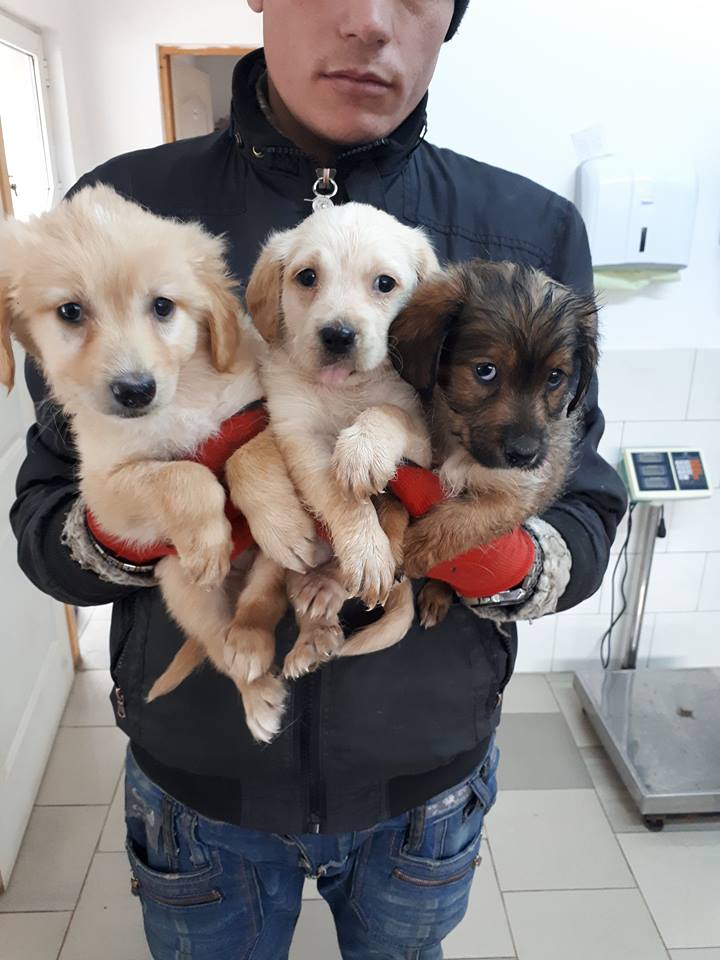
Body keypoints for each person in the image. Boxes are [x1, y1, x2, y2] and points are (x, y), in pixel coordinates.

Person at [10, 2, 627, 957]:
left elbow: (587, 503)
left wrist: (491, 553)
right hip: (198, 793)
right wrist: (146, 518)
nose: (372, 22)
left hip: (426, 792)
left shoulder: (531, 233)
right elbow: (46, 521)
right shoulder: (123, 222)